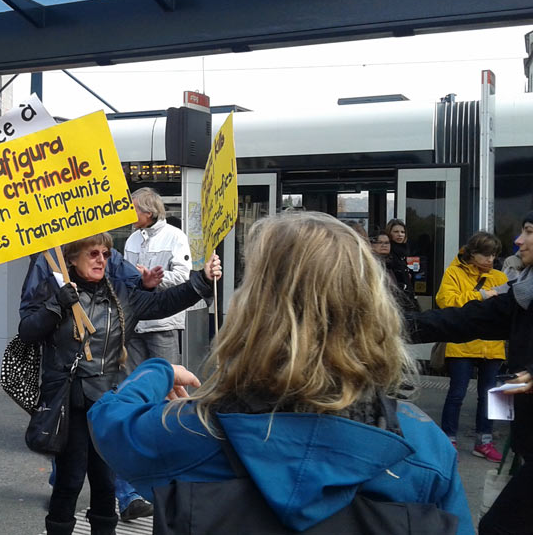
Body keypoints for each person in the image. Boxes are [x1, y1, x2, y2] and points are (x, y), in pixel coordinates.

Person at [88, 212, 473, 535]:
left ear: (253, 309)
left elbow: (108, 421)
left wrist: (158, 371)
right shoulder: (424, 448)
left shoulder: (192, 431)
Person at [20, 232, 219, 535]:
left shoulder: (119, 295)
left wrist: (201, 281)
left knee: (105, 482)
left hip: (107, 401)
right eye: (93, 254)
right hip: (68, 401)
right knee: (69, 481)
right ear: (71, 258)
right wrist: (55, 306)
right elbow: (27, 332)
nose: (101, 259)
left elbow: (163, 303)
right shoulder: (54, 290)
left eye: (105, 254)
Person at [405, 212, 533, 535]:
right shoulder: (523, 291)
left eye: (529, 232)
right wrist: (392, 326)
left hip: (497, 365)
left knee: (498, 527)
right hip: (467, 356)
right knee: (462, 392)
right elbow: (463, 317)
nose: (519, 242)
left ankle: (486, 435)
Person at [117, 187, 192, 521]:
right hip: (134, 324)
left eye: (132, 208)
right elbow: (124, 279)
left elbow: (183, 276)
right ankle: (136, 476)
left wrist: (151, 282)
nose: (129, 214)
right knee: (132, 391)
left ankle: (167, 466)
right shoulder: (131, 240)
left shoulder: (175, 237)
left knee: (167, 391)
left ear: (148, 210)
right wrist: (138, 284)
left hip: (162, 322)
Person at [436, 231, 508, 462]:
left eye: (494, 255)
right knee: (456, 393)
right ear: (472, 253)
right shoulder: (454, 272)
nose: (490, 260)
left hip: (492, 345)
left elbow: (506, 309)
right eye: (485, 254)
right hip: (462, 343)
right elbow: (445, 301)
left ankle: (484, 441)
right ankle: (448, 440)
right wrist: (482, 295)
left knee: (489, 396)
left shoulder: (499, 276)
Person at [370, 230, 420, 313]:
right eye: (380, 242)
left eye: (387, 243)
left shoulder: (396, 263)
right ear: (371, 245)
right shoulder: (369, 263)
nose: (384, 245)